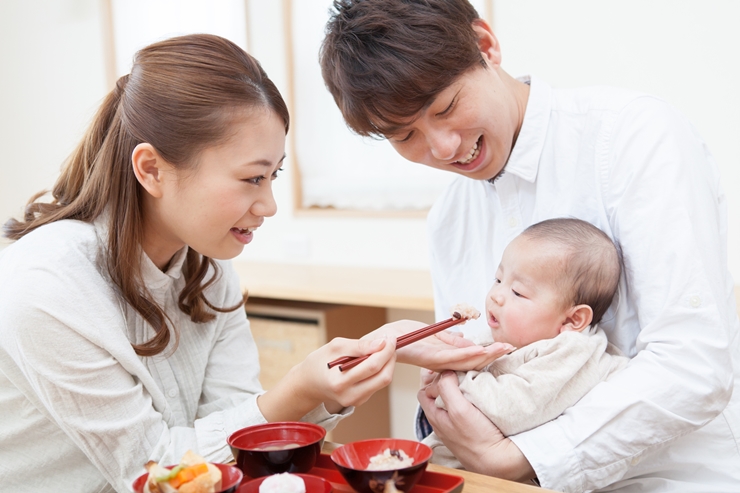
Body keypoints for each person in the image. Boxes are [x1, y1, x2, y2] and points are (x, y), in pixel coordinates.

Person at [0, 34, 509, 493]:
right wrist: (300, 388)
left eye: (274, 176)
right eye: (251, 179)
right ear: (151, 170)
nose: (268, 206)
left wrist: (345, 373)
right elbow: (155, 473)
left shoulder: (208, 272)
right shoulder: (47, 286)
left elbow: (233, 445)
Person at [320, 1, 740, 491]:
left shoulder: (633, 137)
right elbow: (478, 377)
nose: (443, 148)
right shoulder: (450, 218)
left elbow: (692, 365)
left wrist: (521, 457)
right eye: (406, 135)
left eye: (446, 108)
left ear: (486, 46)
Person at [423, 218, 629, 469]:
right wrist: (449, 354)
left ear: (573, 319)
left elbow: (508, 411)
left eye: (518, 292)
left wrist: (452, 377)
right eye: (498, 280)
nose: (496, 295)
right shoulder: (508, 335)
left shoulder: (571, 352)